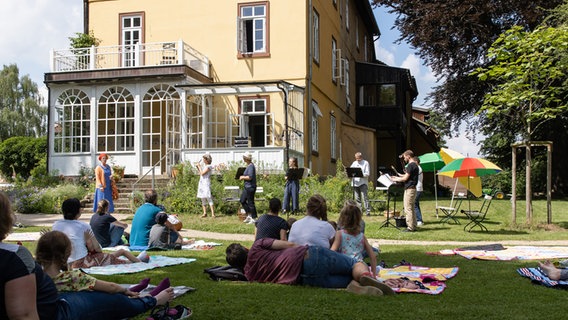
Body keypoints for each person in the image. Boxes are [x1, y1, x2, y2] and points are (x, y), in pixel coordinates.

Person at [0, 191, 171, 320]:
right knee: (108, 295)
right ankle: (152, 299)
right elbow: (23, 314)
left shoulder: (57, 225)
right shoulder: (15, 257)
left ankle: (132, 291)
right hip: (59, 305)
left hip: (60, 293)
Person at [225, 238, 394, 295]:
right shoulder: (257, 245)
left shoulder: (249, 275)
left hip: (304, 278)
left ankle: (355, 287)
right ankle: (365, 276)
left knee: (347, 279)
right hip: (308, 256)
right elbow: (289, 244)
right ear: (245, 248)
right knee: (353, 263)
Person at [36, 230, 174, 299]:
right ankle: (151, 298)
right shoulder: (72, 278)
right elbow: (111, 287)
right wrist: (125, 291)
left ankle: (135, 290)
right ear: (66, 254)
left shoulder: (35, 280)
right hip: (86, 307)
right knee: (110, 296)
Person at [53, 198, 145, 268]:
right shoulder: (83, 226)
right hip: (81, 262)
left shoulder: (56, 225)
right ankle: (139, 261)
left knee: (110, 256)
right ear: (78, 211)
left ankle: (136, 260)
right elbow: (98, 250)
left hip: (63, 262)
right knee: (116, 255)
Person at [331, 202, 377, 278]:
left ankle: (358, 280)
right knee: (361, 269)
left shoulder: (339, 234)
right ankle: (364, 277)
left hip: (344, 264)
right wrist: (374, 274)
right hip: (358, 264)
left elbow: (332, 252)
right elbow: (372, 256)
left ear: (342, 219)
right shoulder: (362, 236)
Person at [391, 150, 419, 232]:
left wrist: (396, 179)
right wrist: (398, 177)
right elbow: (408, 176)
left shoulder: (410, 165)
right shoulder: (415, 165)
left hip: (409, 189)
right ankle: (414, 225)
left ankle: (410, 227)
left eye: (404, 157)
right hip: (413, 189)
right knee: (412, 208)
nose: (404, 159)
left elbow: (405, 178)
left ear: (408, 156)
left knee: (408, 208)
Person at [239, 151, 257, 223]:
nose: (243, 159)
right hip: (247, 187)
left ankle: (254, 218)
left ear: (246, 158)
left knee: (250, 202)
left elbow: (250, 177)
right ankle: (249, 215)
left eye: (244, 157)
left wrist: (242, 177)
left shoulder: (251, 166)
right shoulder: (248, 166)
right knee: (242, 200)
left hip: (250, 187)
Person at [196, 153, 216, 218]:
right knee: (202, 197)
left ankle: (213, 214)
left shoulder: (209, 166)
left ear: (207, 160)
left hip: (206, 183)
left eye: (204, 159)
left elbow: (202, 173)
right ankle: (204, 213)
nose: (203, 160)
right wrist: (198, 167)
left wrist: (199, 166)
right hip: (202, 182)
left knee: (208, 197)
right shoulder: (205, 166)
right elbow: (200, 173)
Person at [414, 156, 424, 226]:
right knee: (416, 204)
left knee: (414, 204)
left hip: (418, 188)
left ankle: (419, 220)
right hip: (418, 188)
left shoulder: (418, 168)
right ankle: (419, 219)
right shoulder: (418, 168)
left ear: (416, 162)